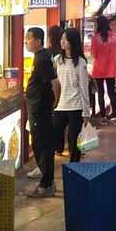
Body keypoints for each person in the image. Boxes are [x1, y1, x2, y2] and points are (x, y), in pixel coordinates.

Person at [24, 27, 59, 198]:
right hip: (38, 107)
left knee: (42, 145)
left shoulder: (42, 59)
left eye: (28, 38)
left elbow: (55, 83)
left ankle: (47, 184)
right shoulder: (41, 56)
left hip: (40, 109)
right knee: (40, 144)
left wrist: (55, 102)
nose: (26, 42)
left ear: (38, 41)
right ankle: (47, 181)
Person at [51, 28, 92, 165]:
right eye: (61, 39)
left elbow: (84, 88)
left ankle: (74, 167)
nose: (62, 42)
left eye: (66, 39)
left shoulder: (81, 62)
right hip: (59, 106)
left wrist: (86, 112)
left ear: (73, 42)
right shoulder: (57, 60)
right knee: (54, 135)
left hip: (76, 106)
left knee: (74, 141)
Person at [89, 15, 116, 123]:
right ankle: (115, 114)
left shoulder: (96, 38)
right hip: (111, 69)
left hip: (98, 69)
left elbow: (94, 54)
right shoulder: (114, 37)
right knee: (112, 92)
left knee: (100, 93)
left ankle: (102, 115)